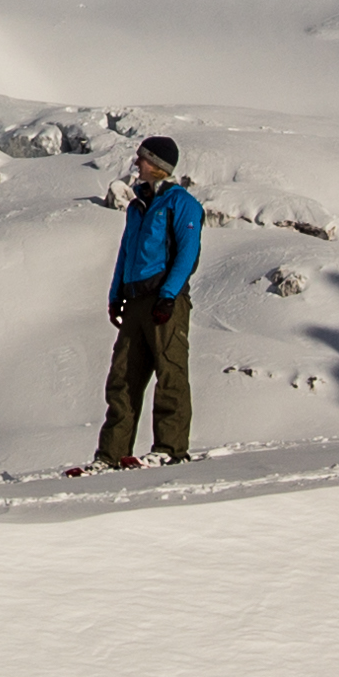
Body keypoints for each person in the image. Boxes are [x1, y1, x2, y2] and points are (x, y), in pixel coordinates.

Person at [94, 134, 203, 469]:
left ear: (157, 166)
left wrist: (168, 296)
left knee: (169, 373)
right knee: (123, 377)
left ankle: (170, 449)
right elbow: (126, 252)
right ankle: (110, 455)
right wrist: (116, 295)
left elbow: (187, 255)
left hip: (164, 300)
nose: (136, 163)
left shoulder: (182, 204)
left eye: (142, 158)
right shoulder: (137, 204)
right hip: (135, 301)